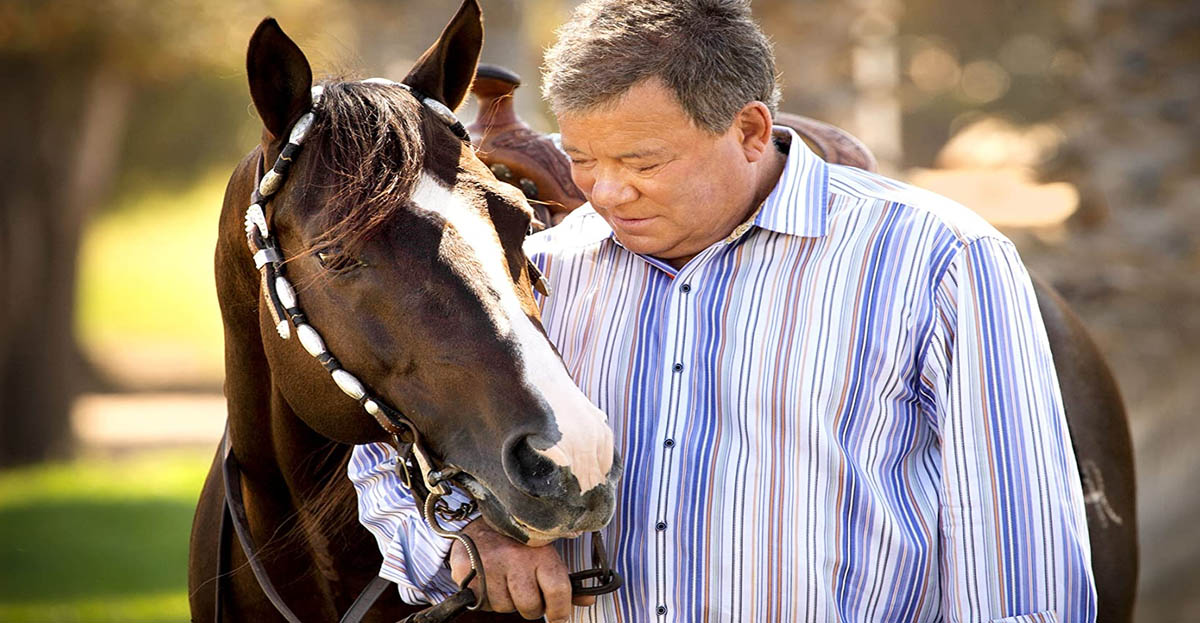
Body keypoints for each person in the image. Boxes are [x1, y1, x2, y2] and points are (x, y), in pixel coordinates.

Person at [349, 0, 1098, 621]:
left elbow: (1021, 561)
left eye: (643, 163)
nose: (605, 193)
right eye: (583, 159)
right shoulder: (540, 269)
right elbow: (380, 448)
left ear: (749, 131)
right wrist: (475, 537)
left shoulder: (942, 259)